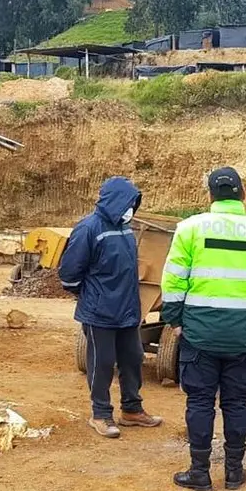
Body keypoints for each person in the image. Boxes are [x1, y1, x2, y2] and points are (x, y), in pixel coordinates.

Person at [161, 167, 246, 491]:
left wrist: (175, 320)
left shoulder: (189, 229)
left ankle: (199, 472)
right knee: (236, 403)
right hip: (243, 336)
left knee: (200, 402)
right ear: (243, 194)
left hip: (199, 334)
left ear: (210, 195)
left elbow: (173, 280)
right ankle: (233, 472)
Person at [59, 177, 163, 439]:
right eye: (128, 203)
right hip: (100, 313)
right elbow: (69, 274)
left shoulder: (125, 229)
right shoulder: (88, 229)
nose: (130, 209)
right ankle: (100, 414)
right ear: (115, 201)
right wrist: (92, 295)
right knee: (102, 363)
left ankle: (132, 410)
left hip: (127, 310)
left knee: (133, 358)